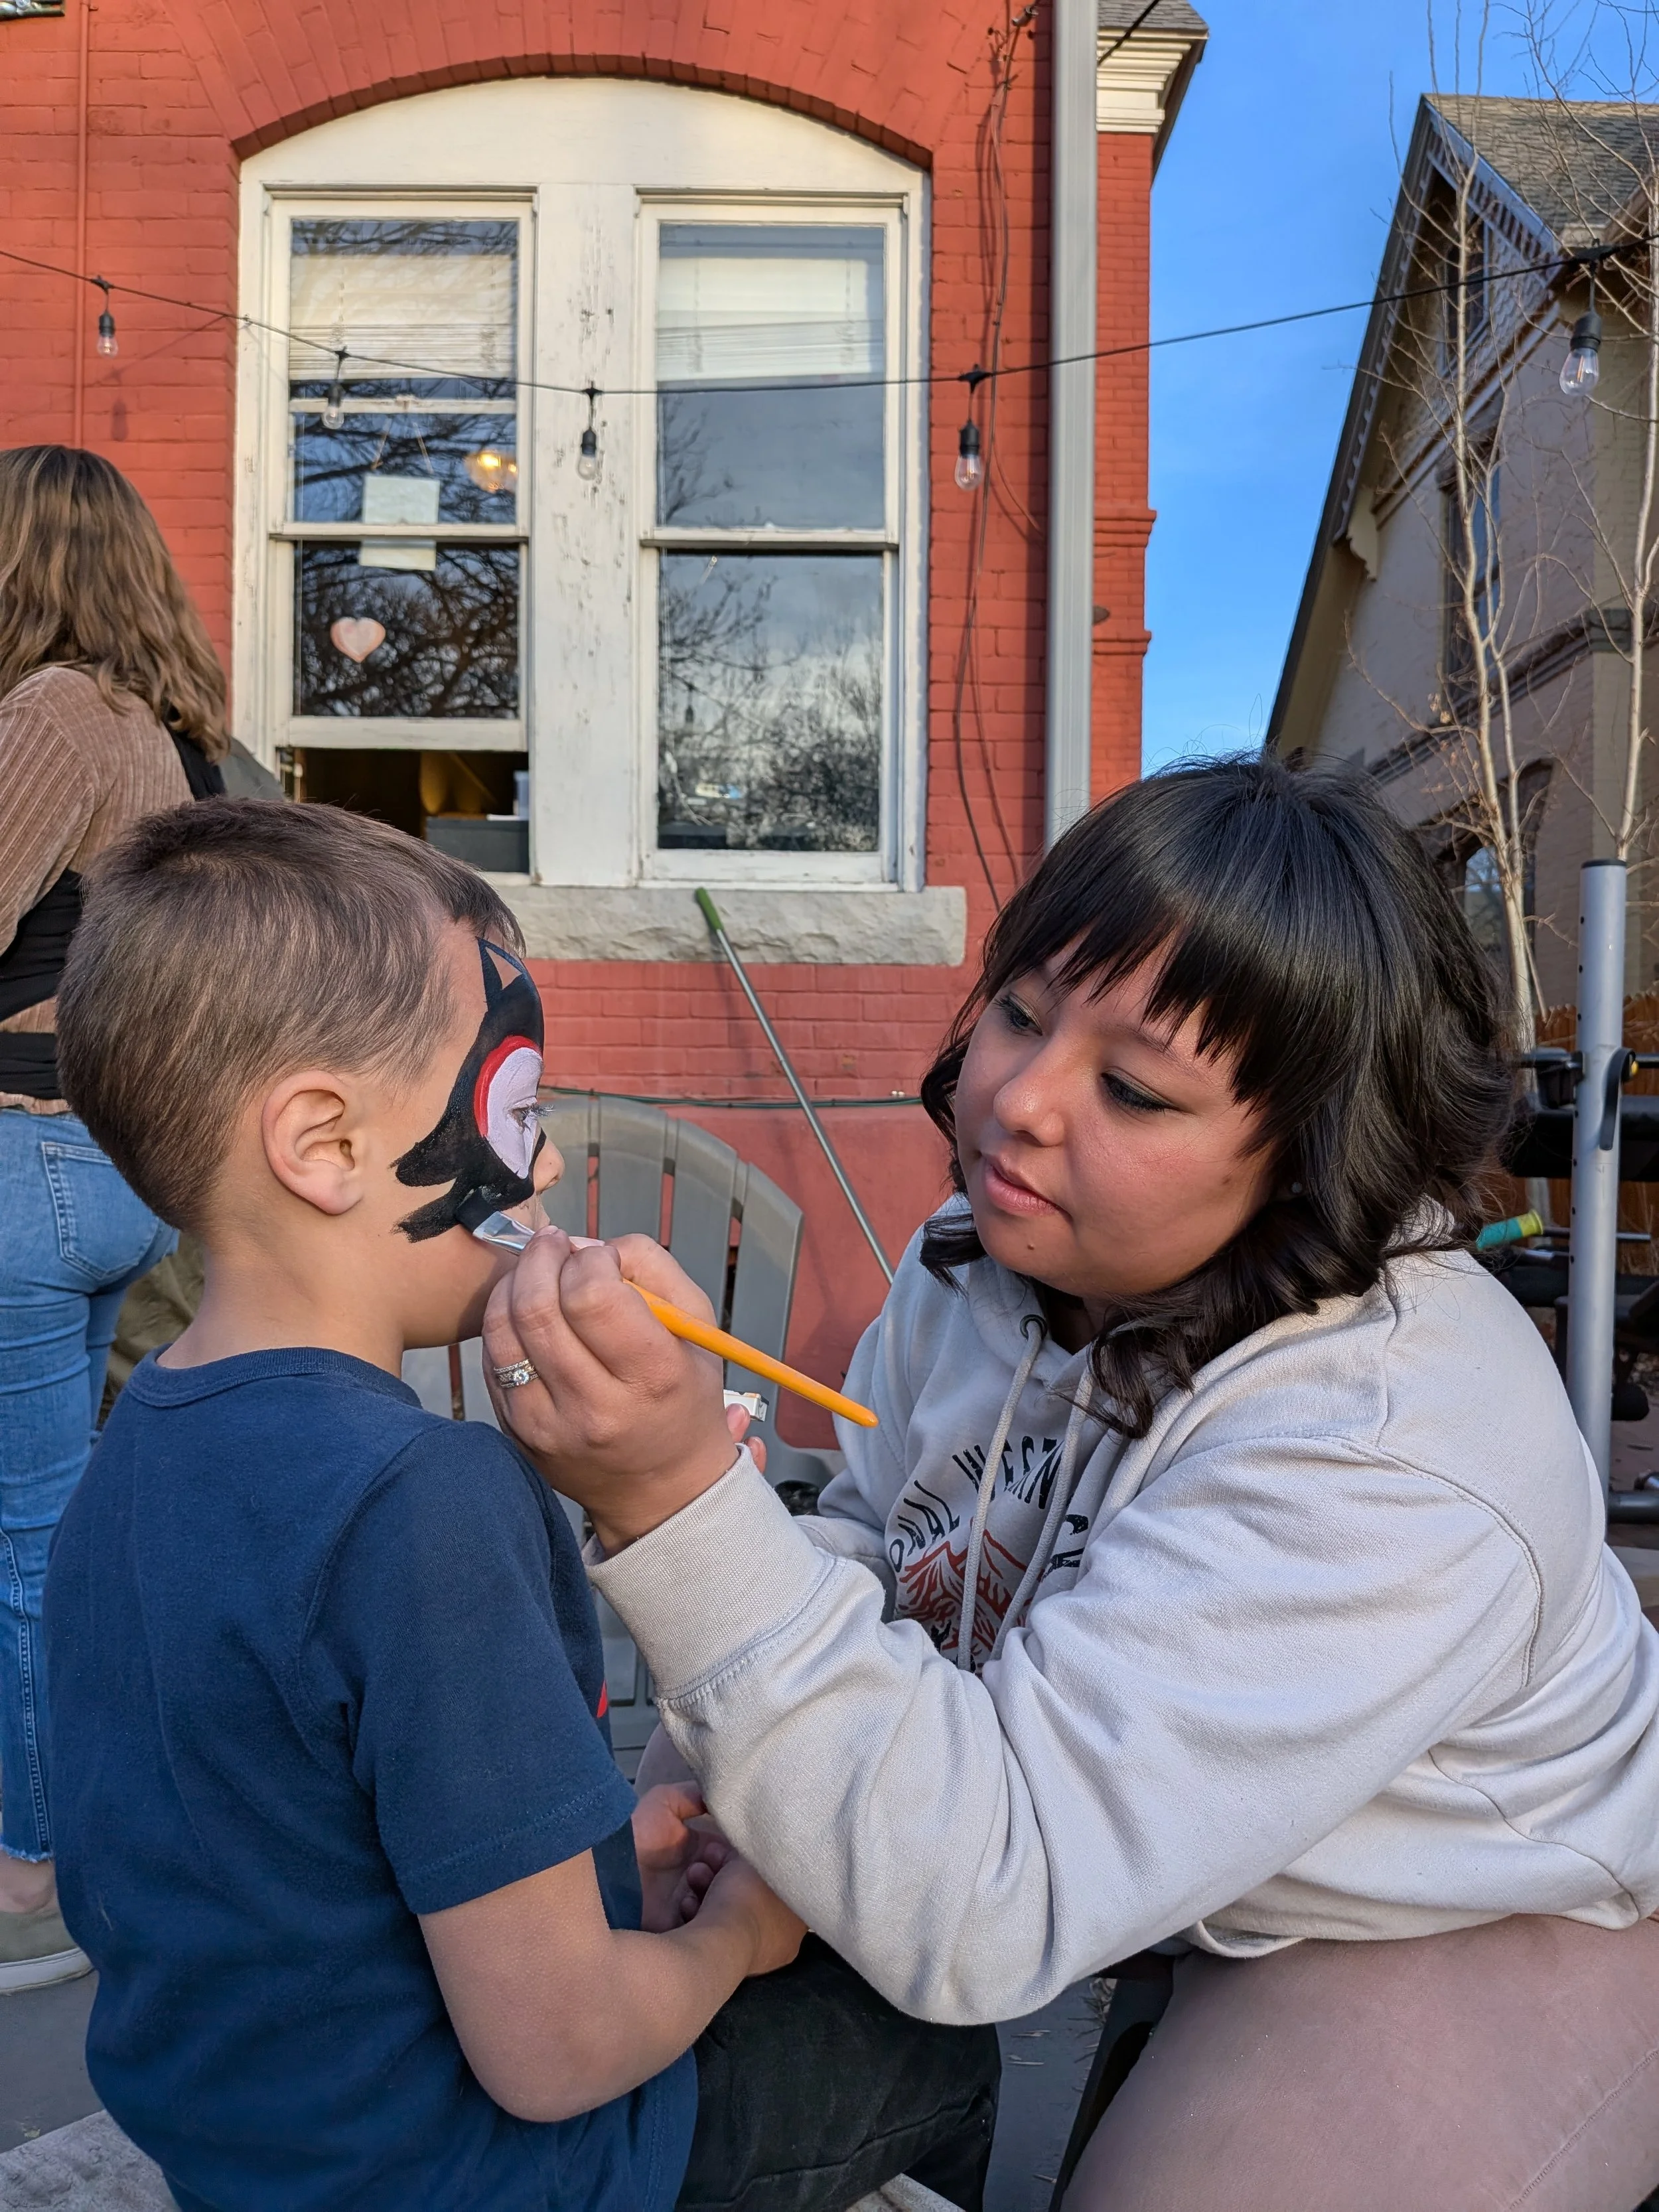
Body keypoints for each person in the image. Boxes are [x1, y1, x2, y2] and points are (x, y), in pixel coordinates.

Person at [484, 759, 1659, 2212]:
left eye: (1132, 1087)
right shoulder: (978, 1256)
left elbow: (991, 1896)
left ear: (1306, 1152)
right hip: (1093, 1844)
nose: (1018, 1102)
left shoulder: (1381, 1443)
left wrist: (670, 1505)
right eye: (1022, 1013)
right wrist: (699, 1783)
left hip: (1447, 1913)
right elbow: (867, 1533)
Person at [43, 798, 999, 2212]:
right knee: (933, 2037)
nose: (545, 1168)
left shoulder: (129, 1449)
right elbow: (554, 2055)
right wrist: (740, 1929)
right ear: (321, 1139)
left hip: (242, 2146)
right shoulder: (422, 1495)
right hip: (480, 2175)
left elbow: (283, 1855)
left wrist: (604, 1857)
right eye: (520, 1107)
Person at [0, 443, 228, 1991]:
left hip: (26, 1160)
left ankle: (32, 1860)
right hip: (125, 1179)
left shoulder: (52, 713)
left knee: (27, 1538)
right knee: (65, 1521)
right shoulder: (186, 743)